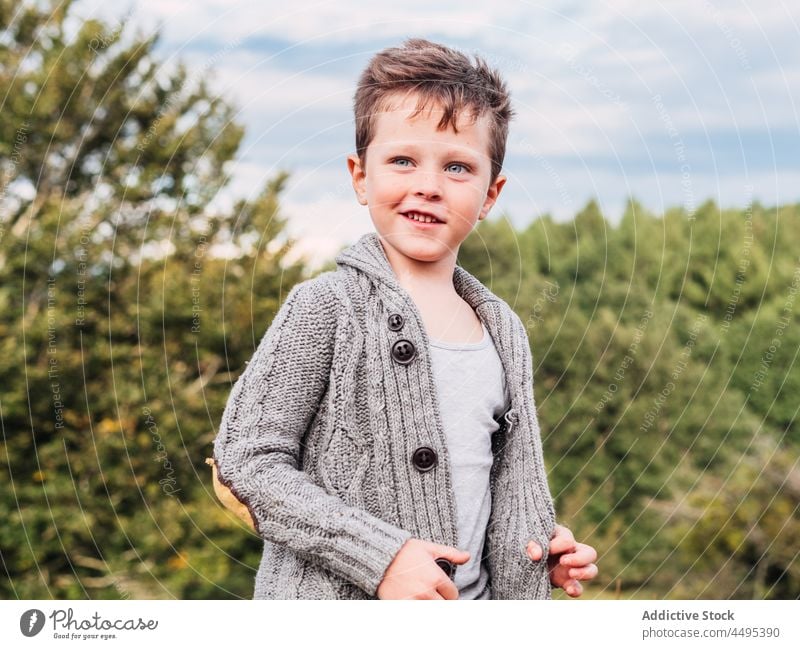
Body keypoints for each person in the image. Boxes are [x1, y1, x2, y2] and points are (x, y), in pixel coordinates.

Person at [212, 37, 598, 600]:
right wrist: (380, 558)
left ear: (490, 194)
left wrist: (541, 553)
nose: (429, 185)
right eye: (402, 160)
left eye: (458, 167)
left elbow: (506, 490)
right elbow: (247, 461)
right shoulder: (326, 306)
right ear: (359, 176)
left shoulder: (504, 330)